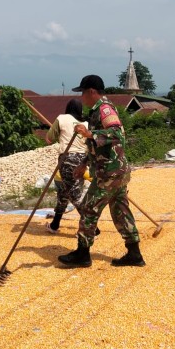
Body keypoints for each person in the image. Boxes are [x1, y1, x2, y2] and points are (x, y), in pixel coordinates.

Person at [58, 75, 144, 268]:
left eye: (82, 92)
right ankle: (134, 253)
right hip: (114, 171)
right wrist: (84, 164)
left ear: (91, 91)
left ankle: (82, 254)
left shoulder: (105, 109)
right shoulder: (97, 110)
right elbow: (100, 147)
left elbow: (117, 135)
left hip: (109, 174)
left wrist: (90, 133)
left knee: (89, 209)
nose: (81, 97)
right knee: (121, 211)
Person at [45, 99, 89, 233]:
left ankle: (92, 228)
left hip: (68, 159)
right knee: (64, 192)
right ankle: (55, 225)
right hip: (83, 160)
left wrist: (57, 132)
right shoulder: (86, 123)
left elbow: (48, 139)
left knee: (75, 195)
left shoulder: (62, 118)